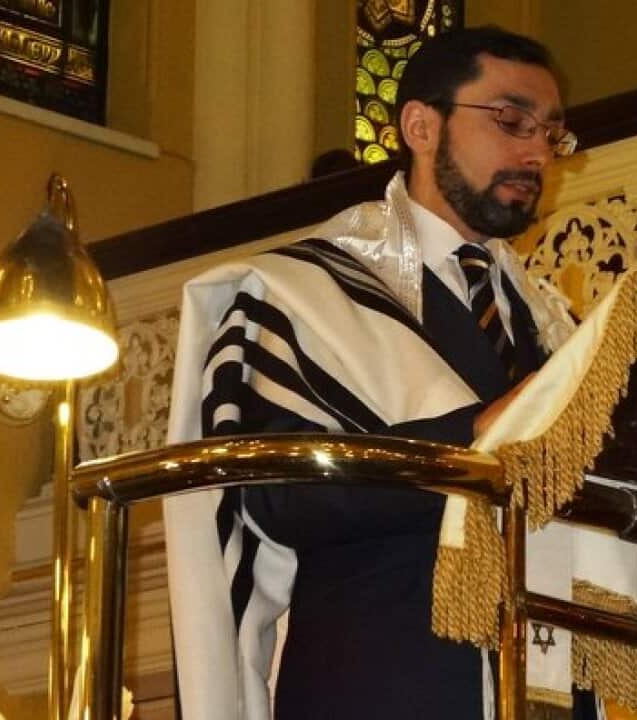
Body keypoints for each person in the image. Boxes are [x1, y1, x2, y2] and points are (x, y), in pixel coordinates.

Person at [163, 26, 580, 720]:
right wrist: (476, 434)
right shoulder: (305, 290)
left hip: (544, 685)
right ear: (420, 124)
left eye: (551, 134)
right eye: (511, 121)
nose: (537, 153)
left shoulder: (549, 323)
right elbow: (276, 495)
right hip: (383, 685)